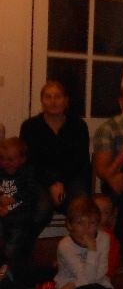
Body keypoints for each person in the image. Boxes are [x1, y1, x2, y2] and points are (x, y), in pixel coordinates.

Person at [20, 80, 91, 214]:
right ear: (42, 101)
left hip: (71, 179)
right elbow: (30, 162)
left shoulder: (78, 126)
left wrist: (60, 182)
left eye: (58, 97)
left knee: (82, 208)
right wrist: (51, 183)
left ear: (65, 100)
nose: (53, 102)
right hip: (40, 180)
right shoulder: (30, 127)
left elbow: (80, 161)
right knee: (42, 209)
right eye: (48, 97)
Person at [0, 137, 40, 282]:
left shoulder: (26, 173)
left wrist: (11, 202)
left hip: (19, 218)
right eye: (2, 159)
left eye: (10, 159)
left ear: (22, 159)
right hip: (3, 215)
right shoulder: (1, 171)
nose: (6, 163)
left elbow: (29, 195)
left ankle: (10, 271)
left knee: (12, 247)